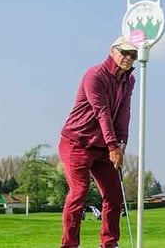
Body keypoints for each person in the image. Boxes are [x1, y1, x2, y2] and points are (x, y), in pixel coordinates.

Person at [59, 36, 136, 248]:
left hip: (102, 146)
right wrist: (113, 145)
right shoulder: (95, 75)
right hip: (76, 142)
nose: (129, 58)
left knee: (113, 194)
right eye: (124, 52)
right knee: (79, 192)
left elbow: (123, 112)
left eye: (133, 55)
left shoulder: (129, 80)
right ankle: (69, 245)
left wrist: (121, 143)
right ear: (112, 51)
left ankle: (110, 243)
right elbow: (101, 112)